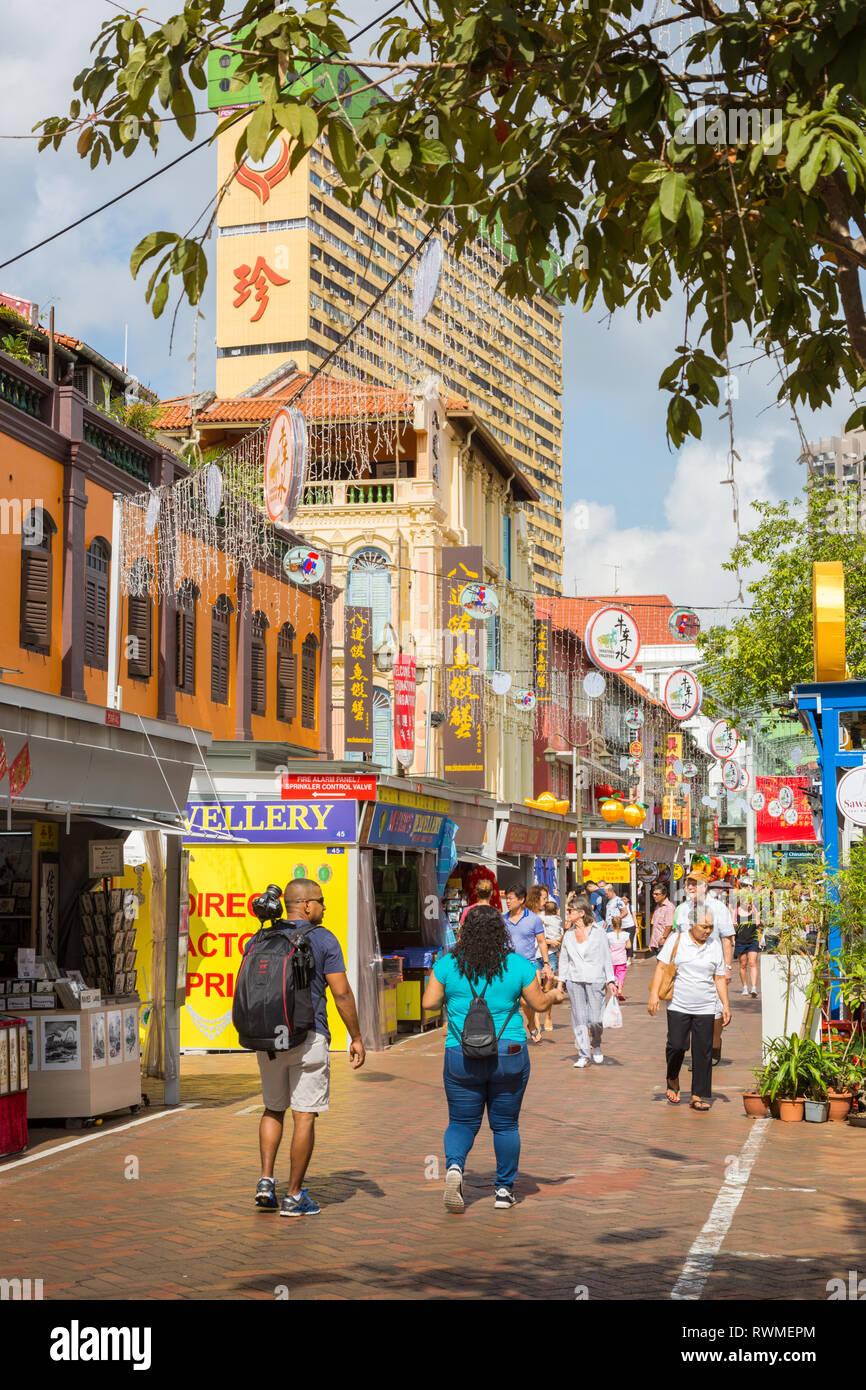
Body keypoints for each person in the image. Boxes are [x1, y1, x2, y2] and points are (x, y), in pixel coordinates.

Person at [422, 904, 566, 1212]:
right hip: (509, 1052)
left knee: (461, 1121)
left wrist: (453, 994)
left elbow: (429, 1003)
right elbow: (539, 1005)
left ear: (465, 933)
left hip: (461, 1052)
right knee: (505, 1125)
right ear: (500, 932)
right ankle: (503, 1191)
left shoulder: (448, 964)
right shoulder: (517, 965)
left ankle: (455, 1168)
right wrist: (554, 995)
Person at [253, 879, 365, 1217]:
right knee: (304, 1115)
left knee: (273, 1109)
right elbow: (341, 993)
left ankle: (265, 1181)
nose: (324, 907)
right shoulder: (323, 939)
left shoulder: (262, 937)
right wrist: (356, 1036)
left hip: (269, 1039)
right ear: (305, 905)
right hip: (309, 1036)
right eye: (320, 901)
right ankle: (294, 1196)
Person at [648, 905, 731, 1111]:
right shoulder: (677, 940)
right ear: (692, 925)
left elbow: (719, 977)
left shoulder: (714, 945)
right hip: (679, 1003)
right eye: (704, 926)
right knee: (677, 1045)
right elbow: (660, 967)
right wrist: (653, 995)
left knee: (703, 1051)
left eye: (711, 927)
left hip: (706, 1005)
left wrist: (725, 1005)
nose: (708, 931)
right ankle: (673, 1077)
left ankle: (698, 1094)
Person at [673, 872, 735, 1066]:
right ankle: (701, 1052)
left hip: (712, 968)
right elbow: (677, 939)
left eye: (694, 884)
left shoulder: (718, 908)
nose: (690, 887)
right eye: (687, 884)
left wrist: (727, 967)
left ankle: (715, 1043)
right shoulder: (682, 909)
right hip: (686, 970)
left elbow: (726, 939)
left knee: (715, 1013)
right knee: (690, 1011)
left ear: (705, 886)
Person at [558, 902, 618, 1067]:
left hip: (595, 978)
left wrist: (610, 980)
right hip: (574, 979)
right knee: (579, 1018)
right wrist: (560, 982)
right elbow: (564, 959)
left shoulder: (598, 933)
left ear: (581, 913)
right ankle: (583, 1054)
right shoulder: (569, 935)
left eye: (570, 911)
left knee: (596, 1019)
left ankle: (596, 1043)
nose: (568, 913)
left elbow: (606, 957)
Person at [502, 884, 551, 1044]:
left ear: (521, 900)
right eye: (506, 898)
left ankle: (531, 1024)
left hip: (528, 966)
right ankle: (509, 1031)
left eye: (511, 898)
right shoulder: (502, 920)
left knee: (526, 1001)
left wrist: (546, 964)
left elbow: (542, 942)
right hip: (507, 967)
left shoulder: (533, 919)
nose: (507, 901)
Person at [539, 900, 564, 1032]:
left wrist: (555, 941)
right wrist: (553, 940)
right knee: (537, 988)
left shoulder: (542, 918)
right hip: (536, 955)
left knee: (547, 988)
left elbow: (561, 934)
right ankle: (536, 1021)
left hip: (551, 954)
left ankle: (547, 1016)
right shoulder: (557, 919)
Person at [734, 893, 761, 997]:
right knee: (743, 964)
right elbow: (733, 925)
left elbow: (758, 925)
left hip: (752, 940)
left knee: (752, 963)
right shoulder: (736, 911)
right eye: (744, 900)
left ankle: (754, 987)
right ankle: (745, 987)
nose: (747, 902)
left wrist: (757, 916)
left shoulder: (754, 911)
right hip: (740, 941)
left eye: (748, 900)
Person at [606, 913, 631, 999]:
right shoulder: (626, 934)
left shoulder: (608, 935)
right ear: (621, 924)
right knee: (621, 975)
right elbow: (629, 946)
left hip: (611, 959)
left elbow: (606, 946)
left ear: (612, 925)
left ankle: (613, 991)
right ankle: (620, 990)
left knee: (612, 976)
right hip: (621, 959)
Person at [649, 883, 674, 953]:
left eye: (657, 894)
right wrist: (651, 942)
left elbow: (669, 925)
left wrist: (663, 938)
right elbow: (654, 926)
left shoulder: (669, 907)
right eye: (653, 894)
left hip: (665, 943)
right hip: (656, 943)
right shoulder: (658, 906)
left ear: (664, 895)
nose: (654, 896)